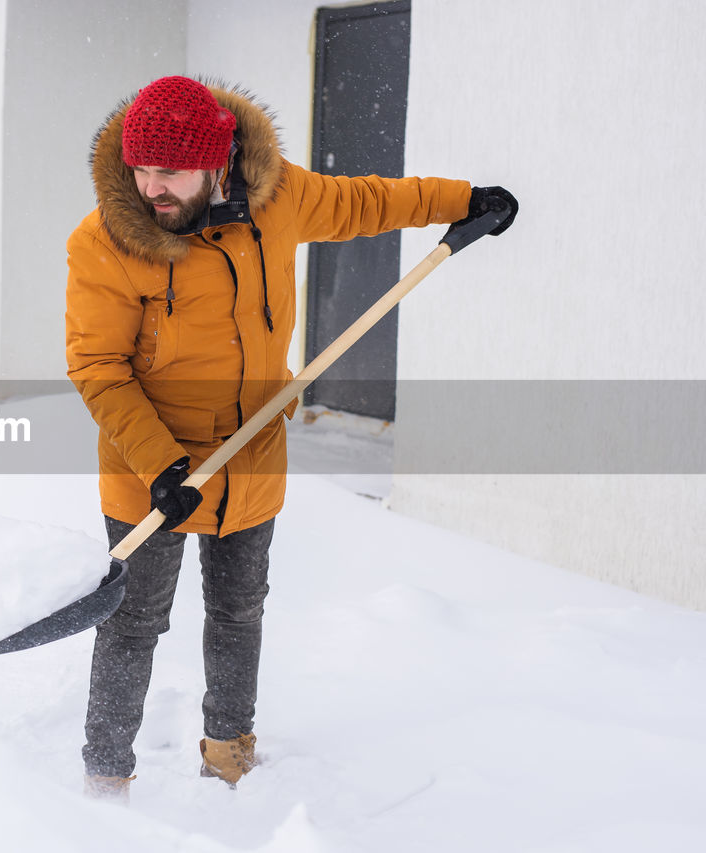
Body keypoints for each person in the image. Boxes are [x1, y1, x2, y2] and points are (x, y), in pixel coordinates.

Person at [64, 75, 516, 797]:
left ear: (216, 163)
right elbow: (98, 366)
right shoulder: (106, 241)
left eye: (169, 171)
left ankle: (229, 754)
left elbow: (368, 201)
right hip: (149, 463)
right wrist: (160, 464)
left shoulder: (277, 199)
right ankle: (105, 775)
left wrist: (461, 201)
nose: (151, 186)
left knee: (239, 609)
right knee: (133, 621)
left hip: (251, 451)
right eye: (139, 167)